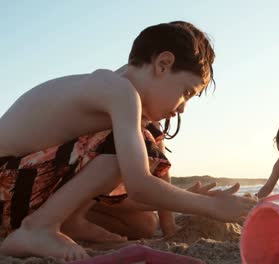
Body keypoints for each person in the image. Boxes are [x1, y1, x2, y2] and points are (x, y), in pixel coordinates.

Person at [0, 21, 257, 261]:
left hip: (21, 189)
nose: (182, 108)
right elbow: (140, 185)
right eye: (186, 93)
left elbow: (152, 184)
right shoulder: (119, 92)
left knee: (142, 223)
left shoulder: (127, 104)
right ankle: (39, 228)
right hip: (7, 183)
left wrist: (175, 215)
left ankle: (64, 223)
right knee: (132, 146)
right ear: (163, 64)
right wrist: (212, 206)